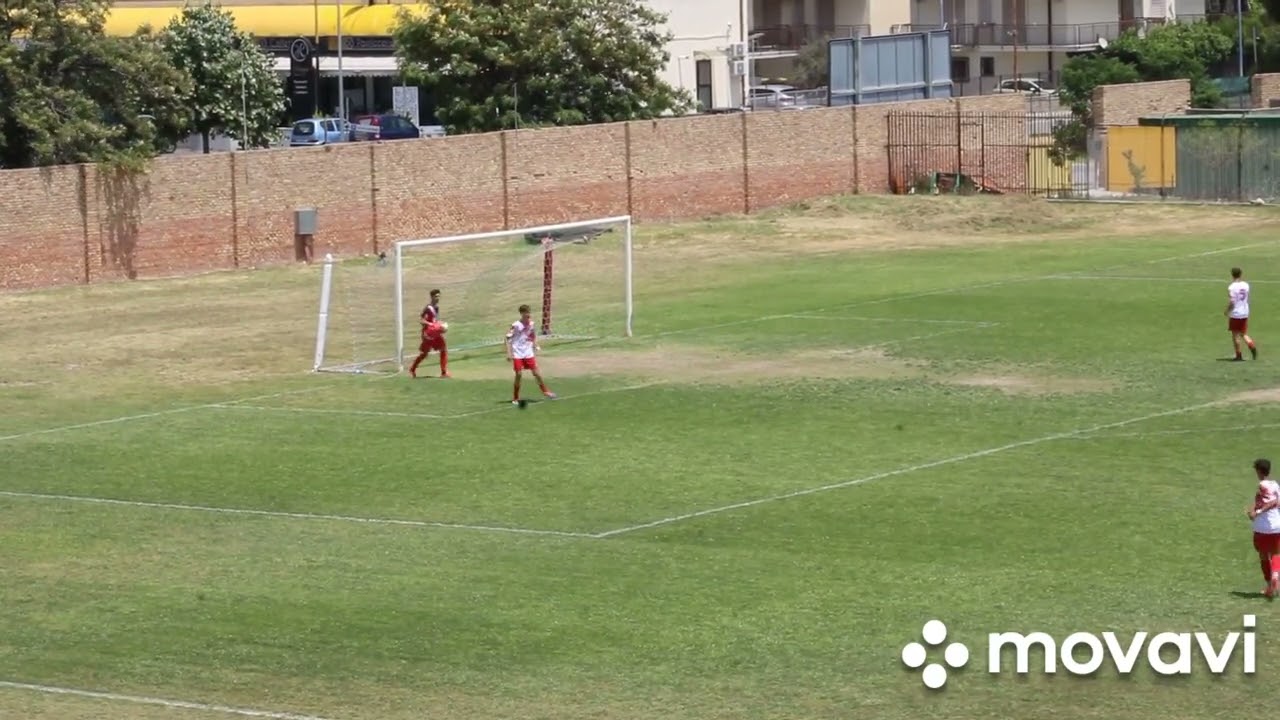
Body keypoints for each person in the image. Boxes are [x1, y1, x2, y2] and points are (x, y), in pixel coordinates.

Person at [506, 304, 556, 404]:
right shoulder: (516, 325)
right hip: (517, 353)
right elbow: (507, 338)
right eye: (526, 314)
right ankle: (515, 397)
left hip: (528, 352)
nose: (528, 316)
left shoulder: (531, 324)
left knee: (536, 373)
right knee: (519, 374)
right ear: (521, 314)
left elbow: (532, 335)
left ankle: (546, 391)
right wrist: (508, 353)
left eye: (529, 314)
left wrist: (535, 345)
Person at [1247, 458, 1280, 597]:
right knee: (1276, 554)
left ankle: (1269, 585)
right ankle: (1276, 576)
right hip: (1277, 526)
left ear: (1259, 471)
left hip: (1262, 528)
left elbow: (1270, 503)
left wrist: (1256, 513)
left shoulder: (1262, 486)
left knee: (1263, 556)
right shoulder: (1276, 485)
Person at [409, 289, 449, 378]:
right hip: (428, 334)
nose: (437, 298)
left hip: (436, 333)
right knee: (424, 354)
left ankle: (444, 372)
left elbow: (435, 320)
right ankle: (412, 369)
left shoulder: (436, 308)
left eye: (438, 296)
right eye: (436, 296)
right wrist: (430, 324)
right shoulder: (428, 308)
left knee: (443, 349)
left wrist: (440, 325)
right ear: (431, 297)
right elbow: (422, 320)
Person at [1225, 267, 1257, 361]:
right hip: (1245, 312)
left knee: (1235, 335)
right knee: (1243, 333)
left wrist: (1227, 311)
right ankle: (1252, 345)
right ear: (1241, 274)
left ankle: (1238, 355)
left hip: (1236, 313)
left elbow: (1232, 302)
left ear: (1232, 275)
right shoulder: (1246, 285)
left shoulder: (1231, 287)